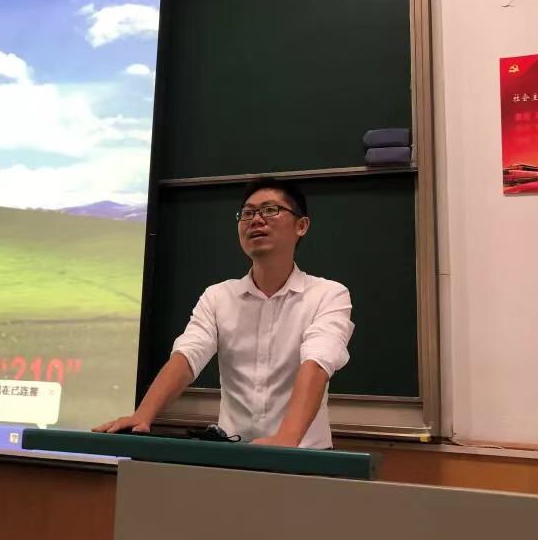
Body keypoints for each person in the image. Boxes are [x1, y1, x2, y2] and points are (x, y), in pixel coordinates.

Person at [94, 177, 353, 449]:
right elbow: (188, 355)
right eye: (248, 213)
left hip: (307, 456)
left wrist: (287, 439)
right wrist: (142, 415)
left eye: (270, 210)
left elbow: (317, 362)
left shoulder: (329, 294)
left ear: (301, 225)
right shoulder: (218, 296)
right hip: (232, 455)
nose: (256, 220)